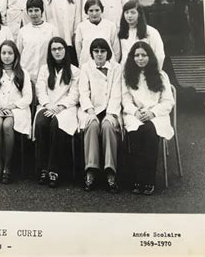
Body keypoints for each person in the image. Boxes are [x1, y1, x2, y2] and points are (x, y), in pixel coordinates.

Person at [122, 41, 174, 195]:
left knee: (150, 131)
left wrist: (152, 113)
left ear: (150, 57)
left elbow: (168, 102)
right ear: (132, 58)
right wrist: (135, 112)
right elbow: (125, 100)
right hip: (135, 114)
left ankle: (149, 179)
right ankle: (138, 178)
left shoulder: (161, 75)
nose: (140, 58)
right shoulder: (127, 76)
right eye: (137, 55)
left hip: (156, 115)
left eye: (143, 55)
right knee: (136, 131)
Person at [0, 40, 32, 184]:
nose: (7, 56)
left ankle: (7, 166)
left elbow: (28, 97)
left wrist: (13, 106)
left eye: (10, 53)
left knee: (7, 126)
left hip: (17, 109)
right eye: (3, 53)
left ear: (15, 55)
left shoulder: (23, 73)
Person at [34, 37, 79, 188]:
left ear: (65, 51)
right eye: (54, 49)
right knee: (41, 122)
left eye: (60, 48)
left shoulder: (75, 71)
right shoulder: (44, 69)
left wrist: (59, 107)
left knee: (56, 123)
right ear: (50, 52)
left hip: (66, 109)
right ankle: (42, 168)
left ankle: (54, 169)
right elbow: (40, 90)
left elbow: (74, 95)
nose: (57, 52)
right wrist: (48, 105)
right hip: (47, 106)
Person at [78, 38, 122, 192]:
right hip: (92, 109)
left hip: (110, 109)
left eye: (102, 51)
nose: (99, 54)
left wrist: (111, 113)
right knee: (92, 125)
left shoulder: (116, 68)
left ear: (108, 53)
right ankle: (91, 170)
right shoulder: (86, 68)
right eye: (96, 51)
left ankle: (111, 172)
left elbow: (117, 93)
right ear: (91, 53)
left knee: (108, 126)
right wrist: (90, 111)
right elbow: (83, 92)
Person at [41, 0, 81, 65]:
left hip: (69, 32)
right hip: (52, 31)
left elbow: (77, 13)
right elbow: (44, 13)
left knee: (69, 61)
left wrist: (76, 31)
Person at [17, 0, 57, 84]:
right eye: (30, 11)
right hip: (27, 74)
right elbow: (18, 53)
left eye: (36, 10)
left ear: (42, 11)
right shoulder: (23, 31)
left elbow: (56, 51)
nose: (33, 13)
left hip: (46, 74)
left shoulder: (51, 29)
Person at [119, 0, 165, 68]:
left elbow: (159, 55)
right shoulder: (122, 32)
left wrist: (153, 72)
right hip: (126, 71)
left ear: (139, 14)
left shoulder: (151, 32)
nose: (129, 16)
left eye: (133, 12)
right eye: (126, 12)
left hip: (147, 71)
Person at [75, 0, 121, 66]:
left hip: (107, 64)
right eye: (91, 11)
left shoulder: (110, 26)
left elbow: (116, 48)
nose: (94, 13)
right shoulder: (81, 27)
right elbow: (78, 49)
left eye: (97, 10)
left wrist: (113, 64)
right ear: (86, 12)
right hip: (88, 64)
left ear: (101, 10)